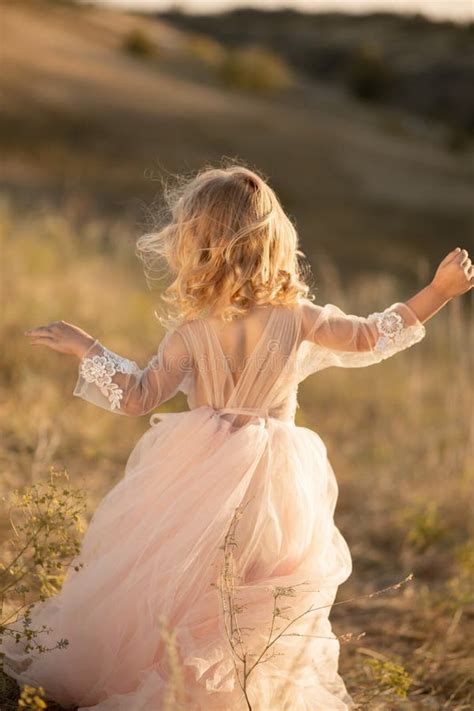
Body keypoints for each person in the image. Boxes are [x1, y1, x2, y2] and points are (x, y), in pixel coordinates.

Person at [3, 165, 473, 710]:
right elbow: (370, 336)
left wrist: (89, 348)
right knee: (260, 582)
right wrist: (439, 291)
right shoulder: (298, 317)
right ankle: (239, 686)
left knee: (183, 577)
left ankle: (174, 677)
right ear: (274, 241)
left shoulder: (192, 332)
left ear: (196, 245)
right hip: (277, 475)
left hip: (194, 468)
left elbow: (136, 397)